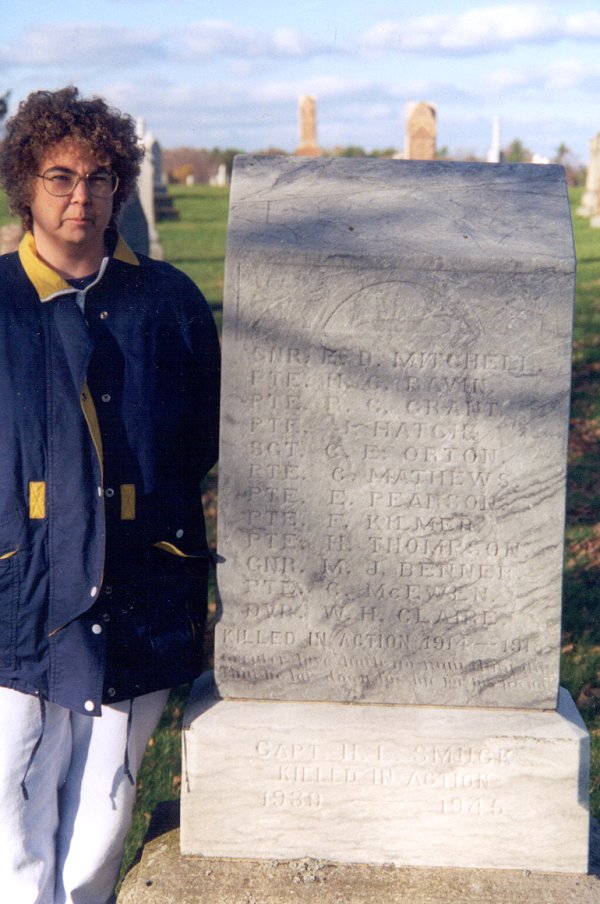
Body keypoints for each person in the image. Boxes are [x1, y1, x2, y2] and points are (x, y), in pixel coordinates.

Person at [0, 86, 221, 903]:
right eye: (59, 176)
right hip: (16, 592)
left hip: (137, 586)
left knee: (100, 816)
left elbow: (198, 437)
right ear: (26, 183)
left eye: (97, 177)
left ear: (119, 186)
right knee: (12, 820)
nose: (79, 196)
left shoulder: (168, 304)